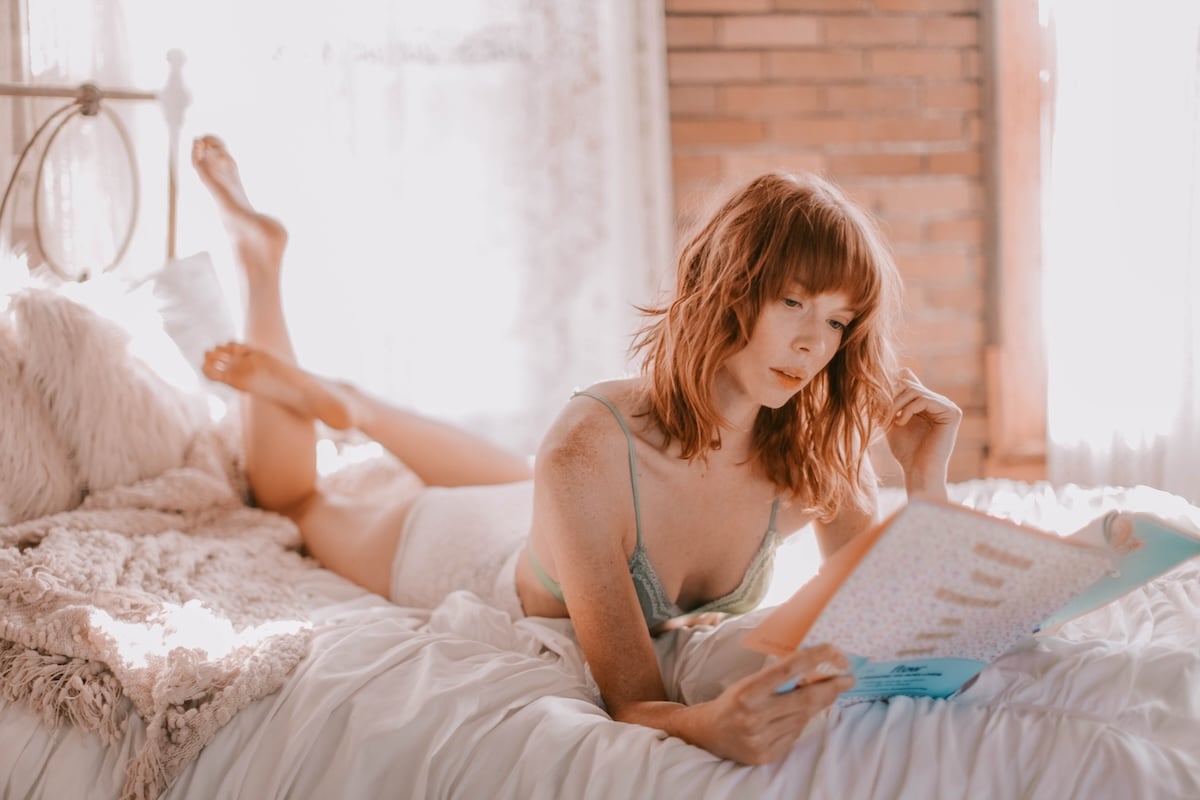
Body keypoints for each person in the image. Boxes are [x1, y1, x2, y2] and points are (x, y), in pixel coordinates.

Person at [191, 135, 962, 765]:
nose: (812, 343)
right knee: (298, 499)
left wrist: (925, 478)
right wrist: (709, 726)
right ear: (729, 289)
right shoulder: (588, 445)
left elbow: (901, 627)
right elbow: (634, 700)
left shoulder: (812, 451)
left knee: (523, 476)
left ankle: (351, 406)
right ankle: (264, 267)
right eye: (793, 301)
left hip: (557, 504)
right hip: (471, 552)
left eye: (837, 321)